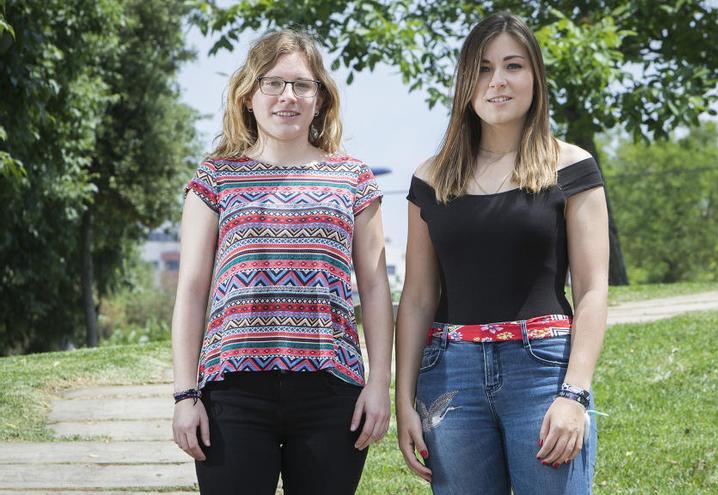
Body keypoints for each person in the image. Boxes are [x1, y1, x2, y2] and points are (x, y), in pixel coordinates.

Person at [170, 29, 393, 495]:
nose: (287, 96)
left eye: (301, 85)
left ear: (320, 98)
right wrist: (185, 394)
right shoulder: (216, 177)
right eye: (272, 83)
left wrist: (379, 385)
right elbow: (191, 289)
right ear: (249, 96)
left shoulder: (353, 178)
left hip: (332, 394)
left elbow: (374, 289)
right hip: (231, 393)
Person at [395, 12, 609, 495]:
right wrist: (403, 399)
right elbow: (417, 298)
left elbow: (593, 290)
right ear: (465, 82)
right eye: (484, 68)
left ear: (535, 77)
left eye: (513, 66)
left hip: (544, 372)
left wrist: (574, 395)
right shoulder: (431, 178)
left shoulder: (572, 167)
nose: (498, 82)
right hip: (450, 380)